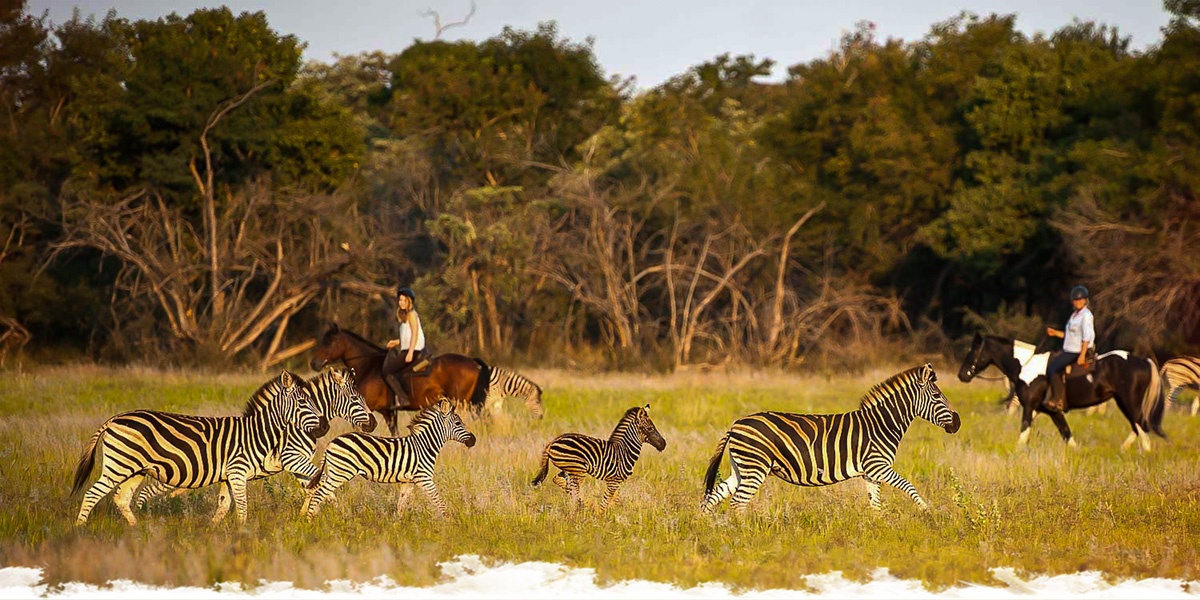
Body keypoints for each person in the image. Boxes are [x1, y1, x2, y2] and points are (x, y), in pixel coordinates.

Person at [1043, 285, 1095, 412]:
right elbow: (1071, 336)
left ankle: (1058, 399)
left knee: (1053, 368)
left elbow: (1086, 337)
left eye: (1080, 300)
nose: (1077, 302)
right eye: (1075, 300)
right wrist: (1056, 333)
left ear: (1085, 300)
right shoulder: (1074, 315)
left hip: (1076, 351)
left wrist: (1082, 355)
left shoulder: (1086, 315)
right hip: (1069, 348)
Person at [382, 286, 428, 408]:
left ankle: (403, 399)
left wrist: (410, 352)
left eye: (404, 300)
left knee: (387, 371)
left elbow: (415, 333)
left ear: (409, 301)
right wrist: (396, 342)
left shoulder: (412, 314)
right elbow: (406, 336)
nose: (401, 302)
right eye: (400, 300)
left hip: (413, 350)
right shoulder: (404, 315)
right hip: (407, 348)